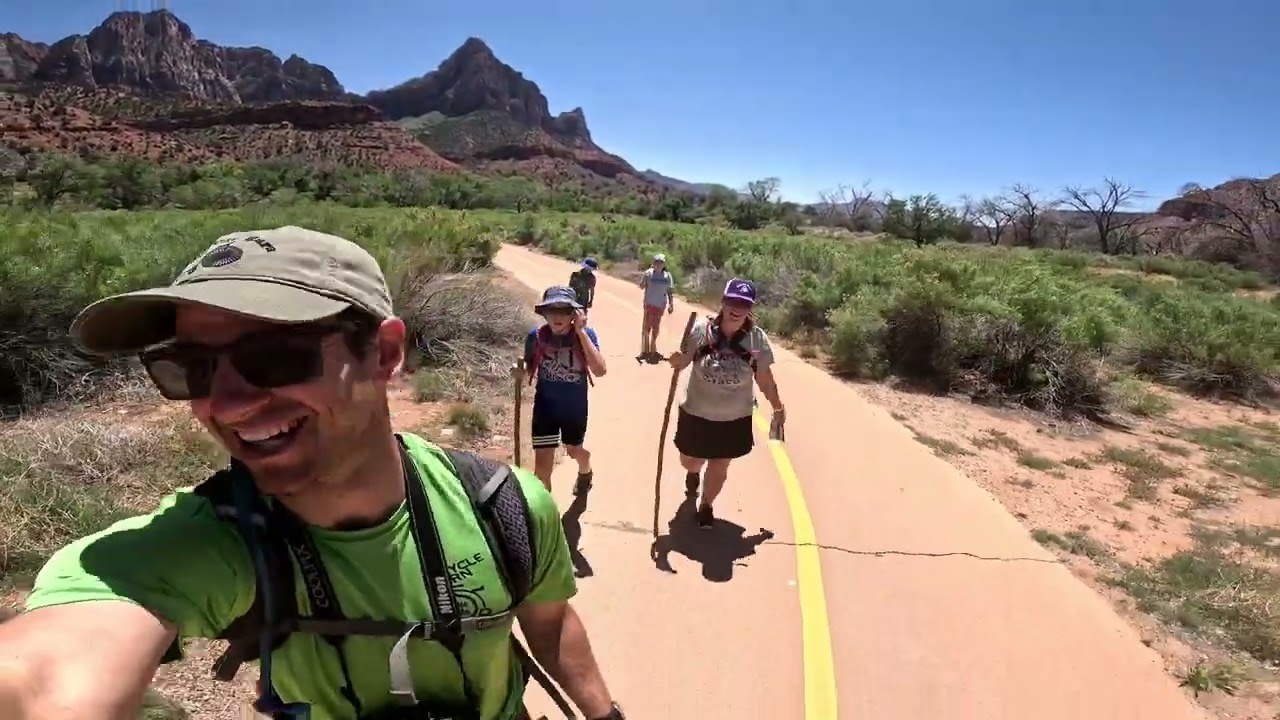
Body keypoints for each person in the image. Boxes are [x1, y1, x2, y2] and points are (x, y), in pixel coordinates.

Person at [0, 227, 626, 720]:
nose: (226, 403)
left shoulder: (507, 507)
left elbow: (551, 623)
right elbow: (46, 667)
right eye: (190, 367)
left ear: (383, 353)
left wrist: (604, 713)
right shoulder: (216, 539)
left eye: (274, 355)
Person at [666, 278, 785, 530]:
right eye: (732, 301)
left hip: (734, 418)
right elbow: (684, 361)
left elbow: (764, 376)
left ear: (750, 308)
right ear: (723, 302)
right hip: (696, 413)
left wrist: (777, 405)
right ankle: (693, 474)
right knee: (690, 461)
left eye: (743, 304)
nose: (736, 308)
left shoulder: (756, 340)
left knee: (721, 462)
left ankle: (706, 505)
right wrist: (676, 360)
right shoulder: (700, 330)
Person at [523, 285, 607, 496]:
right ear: (544, 313)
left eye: (564, 310)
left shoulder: (586, 336)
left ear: (574, 314)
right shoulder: (536, 336)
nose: (557, 316)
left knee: (574, 451)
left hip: (574, 408)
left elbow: (600, 370)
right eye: (552, 310)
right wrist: (519, 372)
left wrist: (581, 333)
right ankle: (546, 518)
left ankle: (585, 470)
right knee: (542, 470)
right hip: (545, 408)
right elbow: (528, 366)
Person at [637, 253, 674, 361]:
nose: (658, 264)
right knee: (646, 328)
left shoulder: (667, 276)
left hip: (660, 305)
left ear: (664, 264)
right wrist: (643, 282)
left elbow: (670, 291)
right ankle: (644, 350)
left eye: (661, 262)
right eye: (657, 262)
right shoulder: (648, 274)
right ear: (654, 263)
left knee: (656, 327)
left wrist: (671, 304)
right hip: (649, 304)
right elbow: (641, 285)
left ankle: (653, 348)